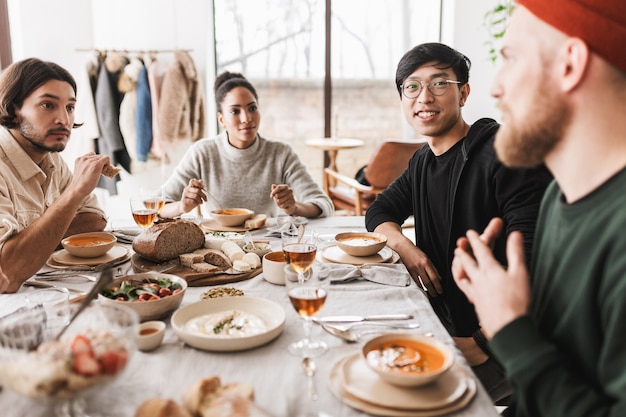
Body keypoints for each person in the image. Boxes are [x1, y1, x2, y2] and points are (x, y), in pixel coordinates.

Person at [452, 1, 626, 416]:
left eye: (509, 58)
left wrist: (509, 330)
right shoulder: (557, 197)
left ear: (570, 64)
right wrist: (513, 310)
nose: (495, 88)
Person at [364, 42, 552, 402]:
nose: (424, 97)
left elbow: (533, 258)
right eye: (412, 87)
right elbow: (379, 213)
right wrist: (406, 247)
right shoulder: (422, 160)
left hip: (497, 349)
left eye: (439, 83)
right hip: (445, 326)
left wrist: (480, 342)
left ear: (464, 92)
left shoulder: (501, 151)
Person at [0, 58, 111, 294]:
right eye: (48, 105)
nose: (64, 120)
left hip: (43, 291)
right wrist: (74, 193)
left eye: (70, 107)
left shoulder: (51, 159)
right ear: (13, 109)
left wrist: (35, 239)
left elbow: (95, 220)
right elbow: (8, 274)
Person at [159, 72, 333, 219]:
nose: (247, 118)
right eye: (235, 111)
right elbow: (156, 205)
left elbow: (323, 204)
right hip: (217, 248)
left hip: (267, 247)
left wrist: (294, 208)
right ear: (221, 119)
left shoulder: (280, 153)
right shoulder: (202, 153)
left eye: (252, 108)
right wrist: (182, 207)